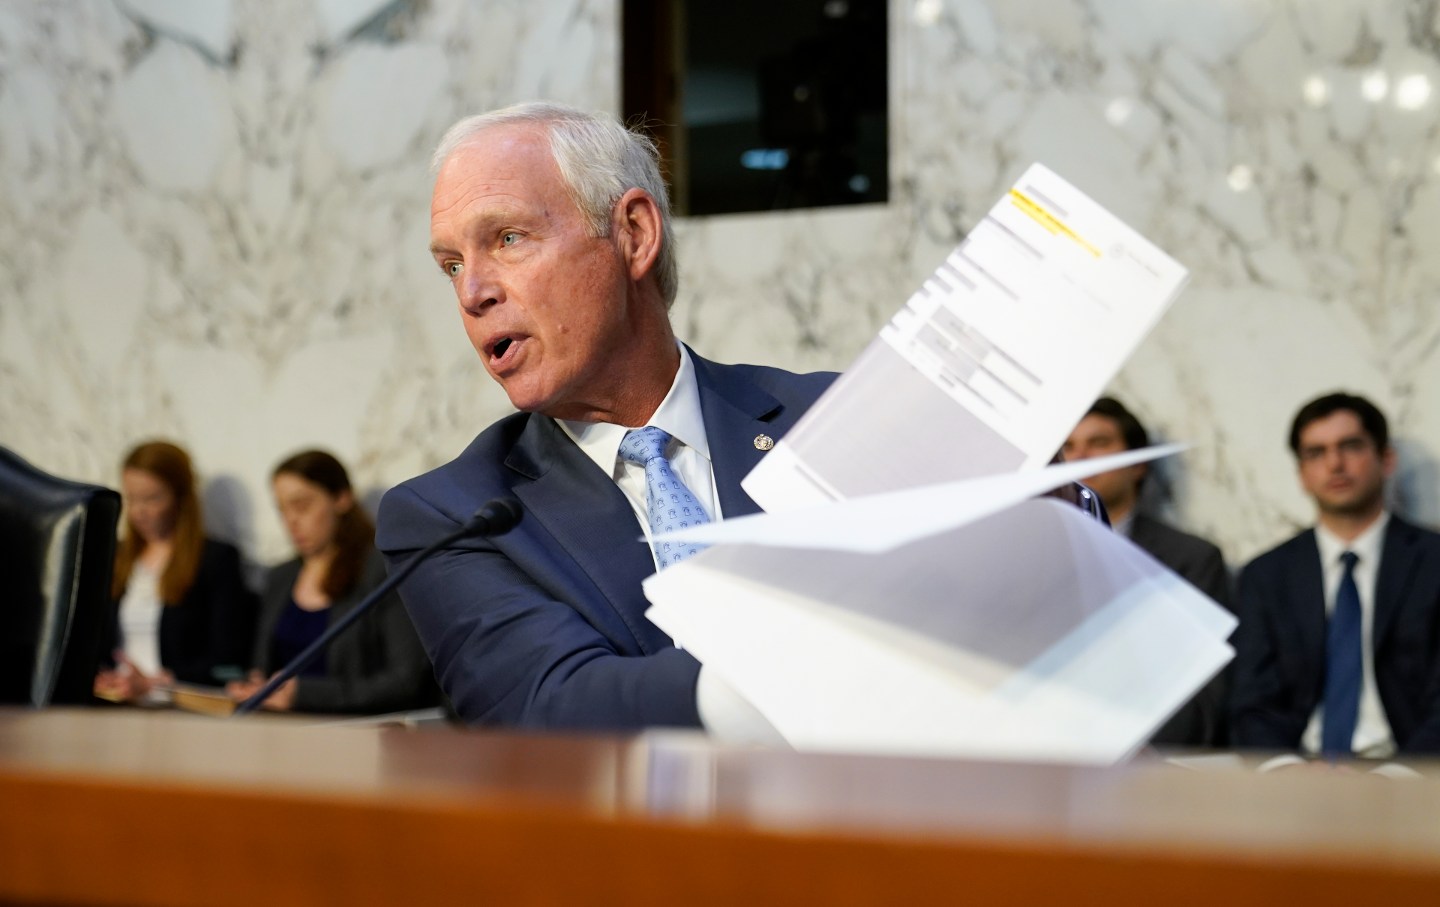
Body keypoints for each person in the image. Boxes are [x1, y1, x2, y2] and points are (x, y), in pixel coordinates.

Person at [375, 102, 835, 736]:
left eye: (507, 239)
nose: (471, 292)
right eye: (451, 265)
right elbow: (555, 710)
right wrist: (842, 663)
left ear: (635, 234)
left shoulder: (831, 421)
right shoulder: (451, 517)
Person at [1231, 392, 1440, 757]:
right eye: (1316, 453)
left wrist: (1399, 777)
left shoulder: (1433, 562)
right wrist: (1284, 769)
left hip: (1410, 775)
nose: (1335, 464)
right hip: (1299, 776)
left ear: (1386, 459)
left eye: (1351, 446)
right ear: (1301, 475)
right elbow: (1251, 702)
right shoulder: (1267, 575)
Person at [1062, 397, 1232, 747]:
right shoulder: (1035, 554)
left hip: (1152, 757)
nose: (1079, 458)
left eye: (1099, 443)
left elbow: (1203, 697)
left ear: (1138, 464)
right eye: (1069, 447)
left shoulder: (1191, 559)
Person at [226, 450, 436, 714]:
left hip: (358, 736)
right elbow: (263, 666)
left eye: (302, 506)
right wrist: (256, 685)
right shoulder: (280, 577)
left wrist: (304, 694)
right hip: (280, 732)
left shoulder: (382, 571)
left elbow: (405, 681)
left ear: (341, 498)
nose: (291, 521)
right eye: (282, 509)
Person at [95, 441, 255, 702]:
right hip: (119, 705)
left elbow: (229, 663)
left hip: (179, 708)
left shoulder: (215, 559)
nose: (139, 511)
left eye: (152, 498)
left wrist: (157, 682)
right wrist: (105, 675)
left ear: (180, 497)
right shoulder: (117, 556)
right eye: (132, 498)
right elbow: (99, 644)